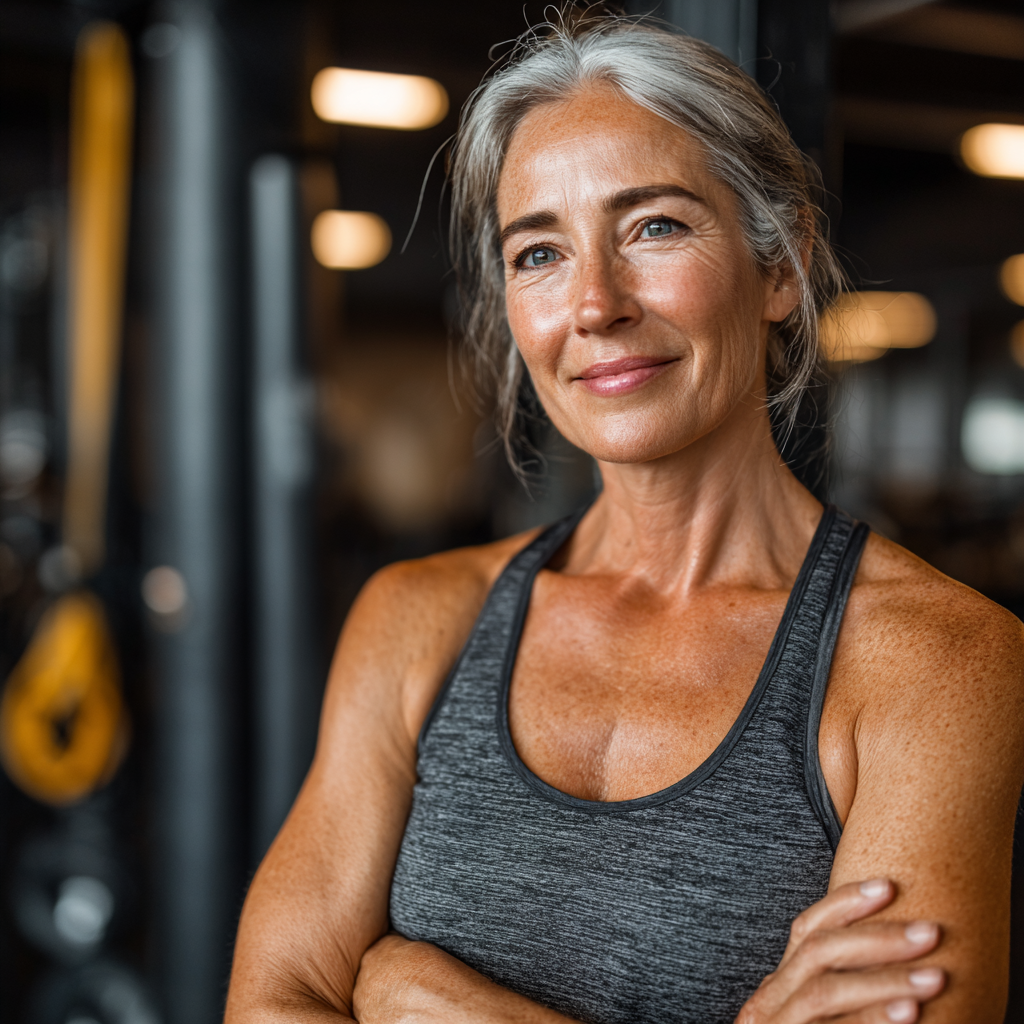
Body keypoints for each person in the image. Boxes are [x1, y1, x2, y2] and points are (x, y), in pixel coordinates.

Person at [225, 14, 1024, 1024]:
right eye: (539, 253)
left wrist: (417, 993)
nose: (593, 304)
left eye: (654, 226)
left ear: (779, 267)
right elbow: (271, 1003)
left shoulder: (939, 664)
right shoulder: (417, 621)